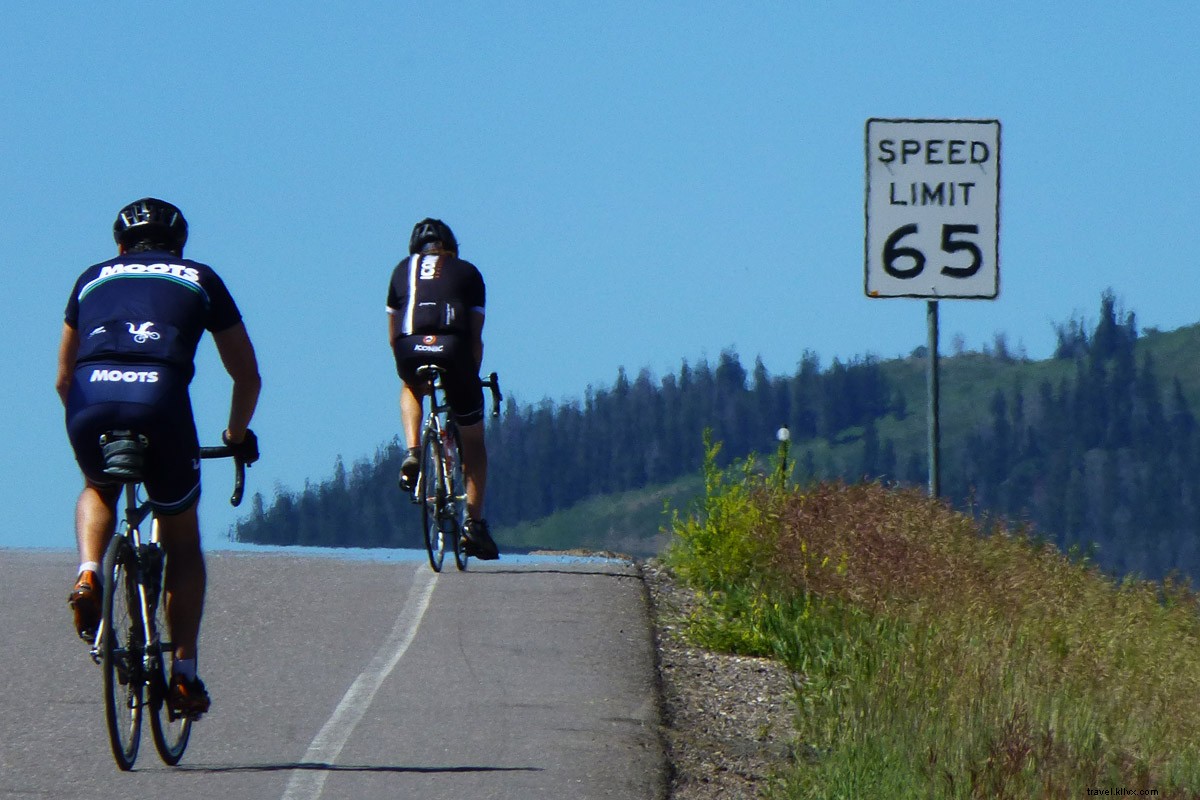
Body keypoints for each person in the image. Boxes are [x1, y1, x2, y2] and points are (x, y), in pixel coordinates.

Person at [57, 197, 261, 717]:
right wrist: (236, 434)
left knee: (98, 486)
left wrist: (92, 421)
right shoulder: (200, 277)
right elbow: (247, 375)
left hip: (90, 396)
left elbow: (62, 378)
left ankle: (89, 573)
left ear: (119, 245)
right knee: (182, 540)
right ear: (180, 245)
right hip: (160, 400)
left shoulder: (91, 278)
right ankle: (184, 676)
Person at [387, 218, 499, 560]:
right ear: (451, 248)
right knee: (473, 440)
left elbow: (393, 334)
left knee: (410, 385)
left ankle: (413, 450)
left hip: (409, 347)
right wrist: (469, 380)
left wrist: (410, 364)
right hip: (453, 349)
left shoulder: (401, 270)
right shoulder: (468, 272)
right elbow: (475, 338)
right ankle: (473, 526)